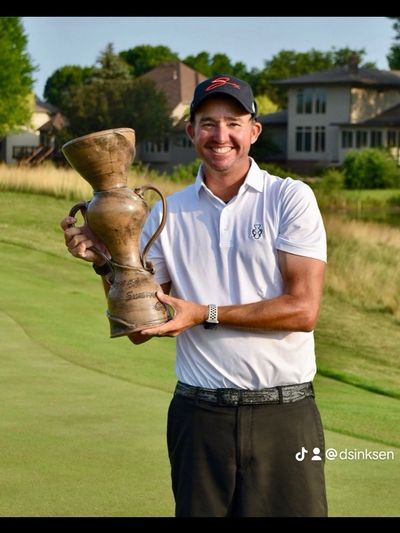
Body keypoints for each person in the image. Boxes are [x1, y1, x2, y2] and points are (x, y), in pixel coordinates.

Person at [61, 74, 328, 517]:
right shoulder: (167, 211)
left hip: (286, 415)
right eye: (207, 123)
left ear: (254, 131)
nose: (220, 136)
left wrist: (204, 313)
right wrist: (105, 261)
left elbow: (303, 310)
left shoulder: (289, 198)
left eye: (233, 122)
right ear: (191, 133)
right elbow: (141, 329)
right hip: (199, 417)